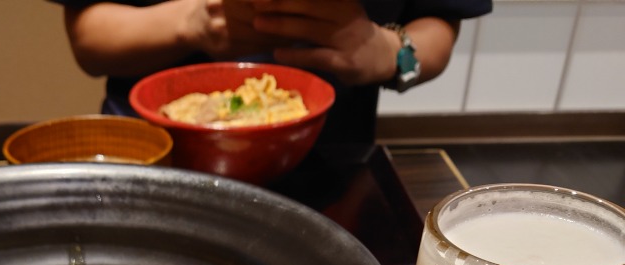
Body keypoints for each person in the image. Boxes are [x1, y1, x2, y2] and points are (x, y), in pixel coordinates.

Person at [46, 0, 492, 146]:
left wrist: (391, 55)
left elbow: (439, 23)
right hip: (151, 153)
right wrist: (194, 23)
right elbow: (90, 39)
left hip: (330, 163)